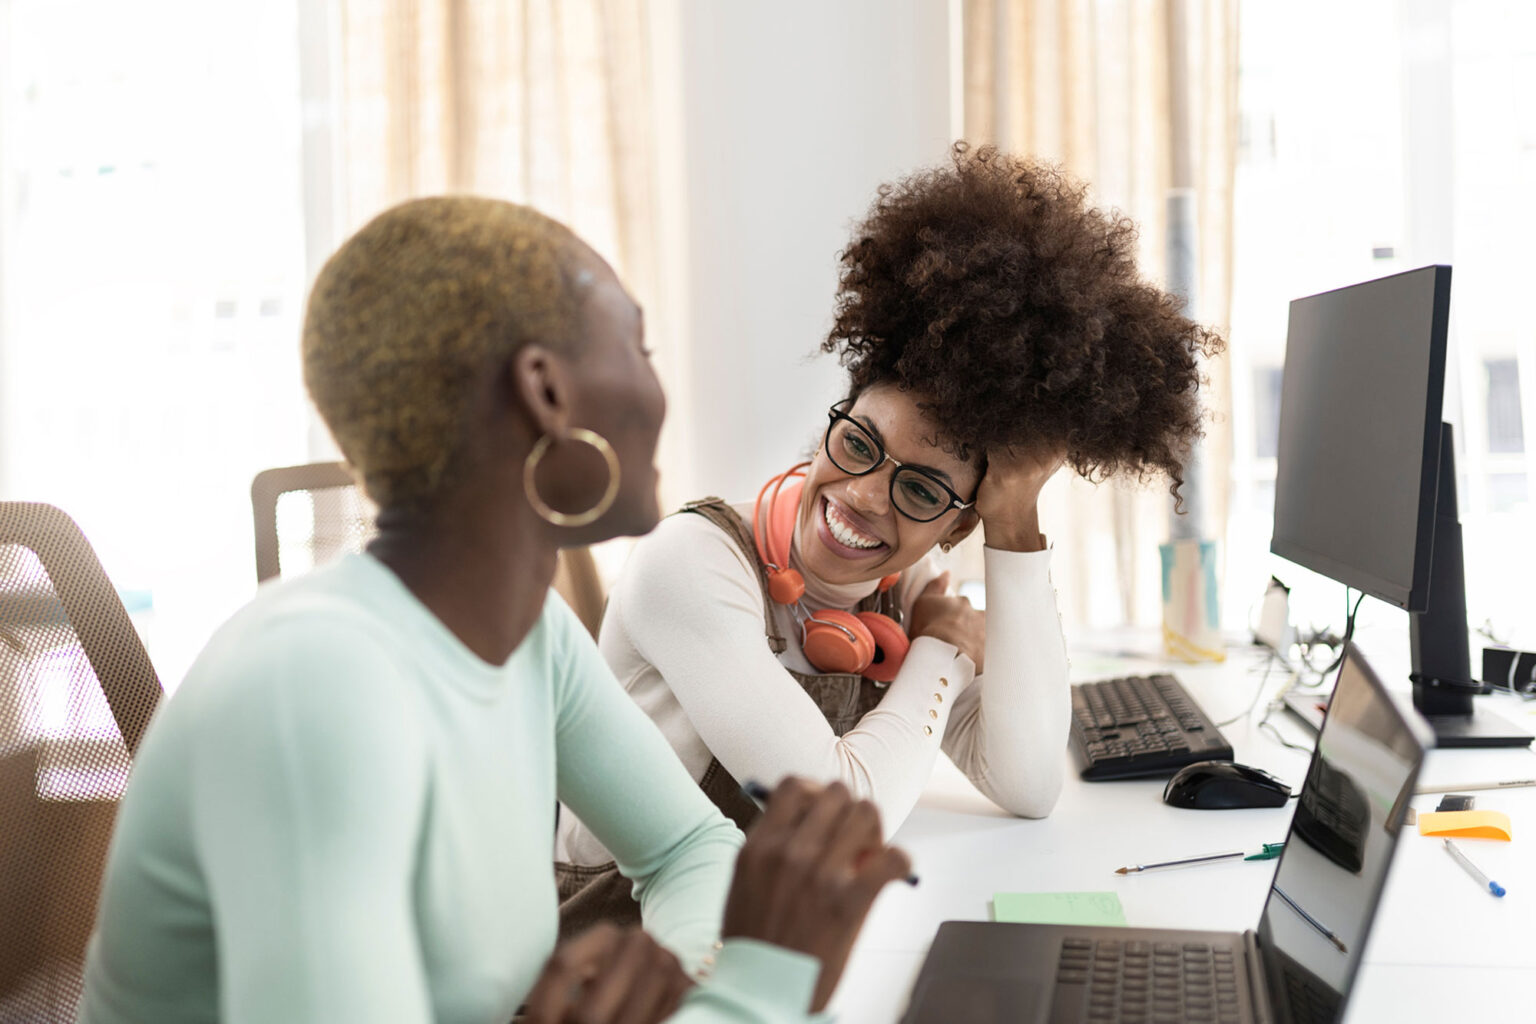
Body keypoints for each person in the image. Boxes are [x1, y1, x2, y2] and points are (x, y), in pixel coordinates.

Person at [78, 197, 910, 1024]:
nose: (658, 390)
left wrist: (689, 993)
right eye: (638, 346)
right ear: (546, 390)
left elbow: (690, 849)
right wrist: (756, 988)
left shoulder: (530, 634)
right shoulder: (313, 687)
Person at [556, 144, 1224, 928]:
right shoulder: (694, 563)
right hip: (614, 953)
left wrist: (1014, 519)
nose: (865, 495)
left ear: (957, 524)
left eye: (919, 488)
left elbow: (1028, 782)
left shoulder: (901, 591)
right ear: (831, 424)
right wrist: (940, 650)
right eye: (858, 442)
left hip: (751, 936)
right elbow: (845, 826)